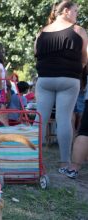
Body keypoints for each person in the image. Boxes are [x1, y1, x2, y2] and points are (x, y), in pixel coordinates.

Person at [34, 0, 88, 173]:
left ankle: (31, 159)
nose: (77, 15)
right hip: (69, 78)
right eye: (75, 12)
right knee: (64, 119)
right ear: (66, 11)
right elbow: (85, 58)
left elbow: (36, 53)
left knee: (39, 119)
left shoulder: (42, 32)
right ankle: (64, 163)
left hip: (45, 79)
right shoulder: (78, 31)